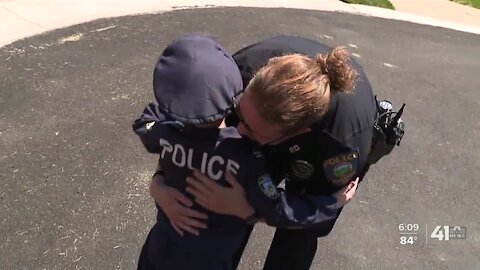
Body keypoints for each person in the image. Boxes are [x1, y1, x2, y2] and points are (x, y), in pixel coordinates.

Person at [134, 34, 358, 270]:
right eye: (241, 117)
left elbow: (147, 122)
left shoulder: (167, 133)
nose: (239, 130)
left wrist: (158, 185)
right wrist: (331, 203)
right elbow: (278, 209)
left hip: (158, 253)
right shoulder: (248, 160)